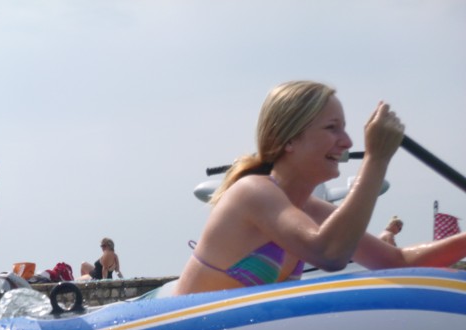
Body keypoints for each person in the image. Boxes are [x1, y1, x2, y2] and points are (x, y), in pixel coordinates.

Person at [175, 80, 466, 295]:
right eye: (331, 128)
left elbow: (397, 261)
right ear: (288, 140)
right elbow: (329, 254)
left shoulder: (309, 209)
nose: (347, 142)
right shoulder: (252, 192)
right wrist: (376, 159)